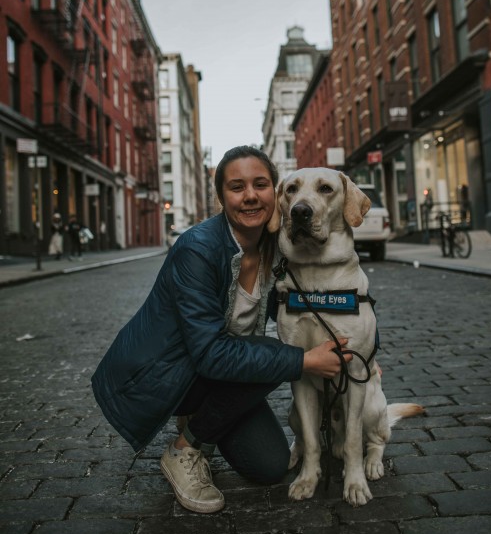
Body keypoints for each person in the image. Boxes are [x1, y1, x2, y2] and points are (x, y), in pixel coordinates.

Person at [92, 145, 352, 514]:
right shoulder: (197, 249)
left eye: (260, 184)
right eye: (236, 187)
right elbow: (212, 353)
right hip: (164, 375)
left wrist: (360, 351)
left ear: (275, 194)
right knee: (281, 356)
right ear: (222, 197)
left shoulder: (276, 248)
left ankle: (204, 415)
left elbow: (310, 305)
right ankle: (185, 448)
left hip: (221, 371)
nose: (249, 196)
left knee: (271, 465)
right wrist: (305, 360)